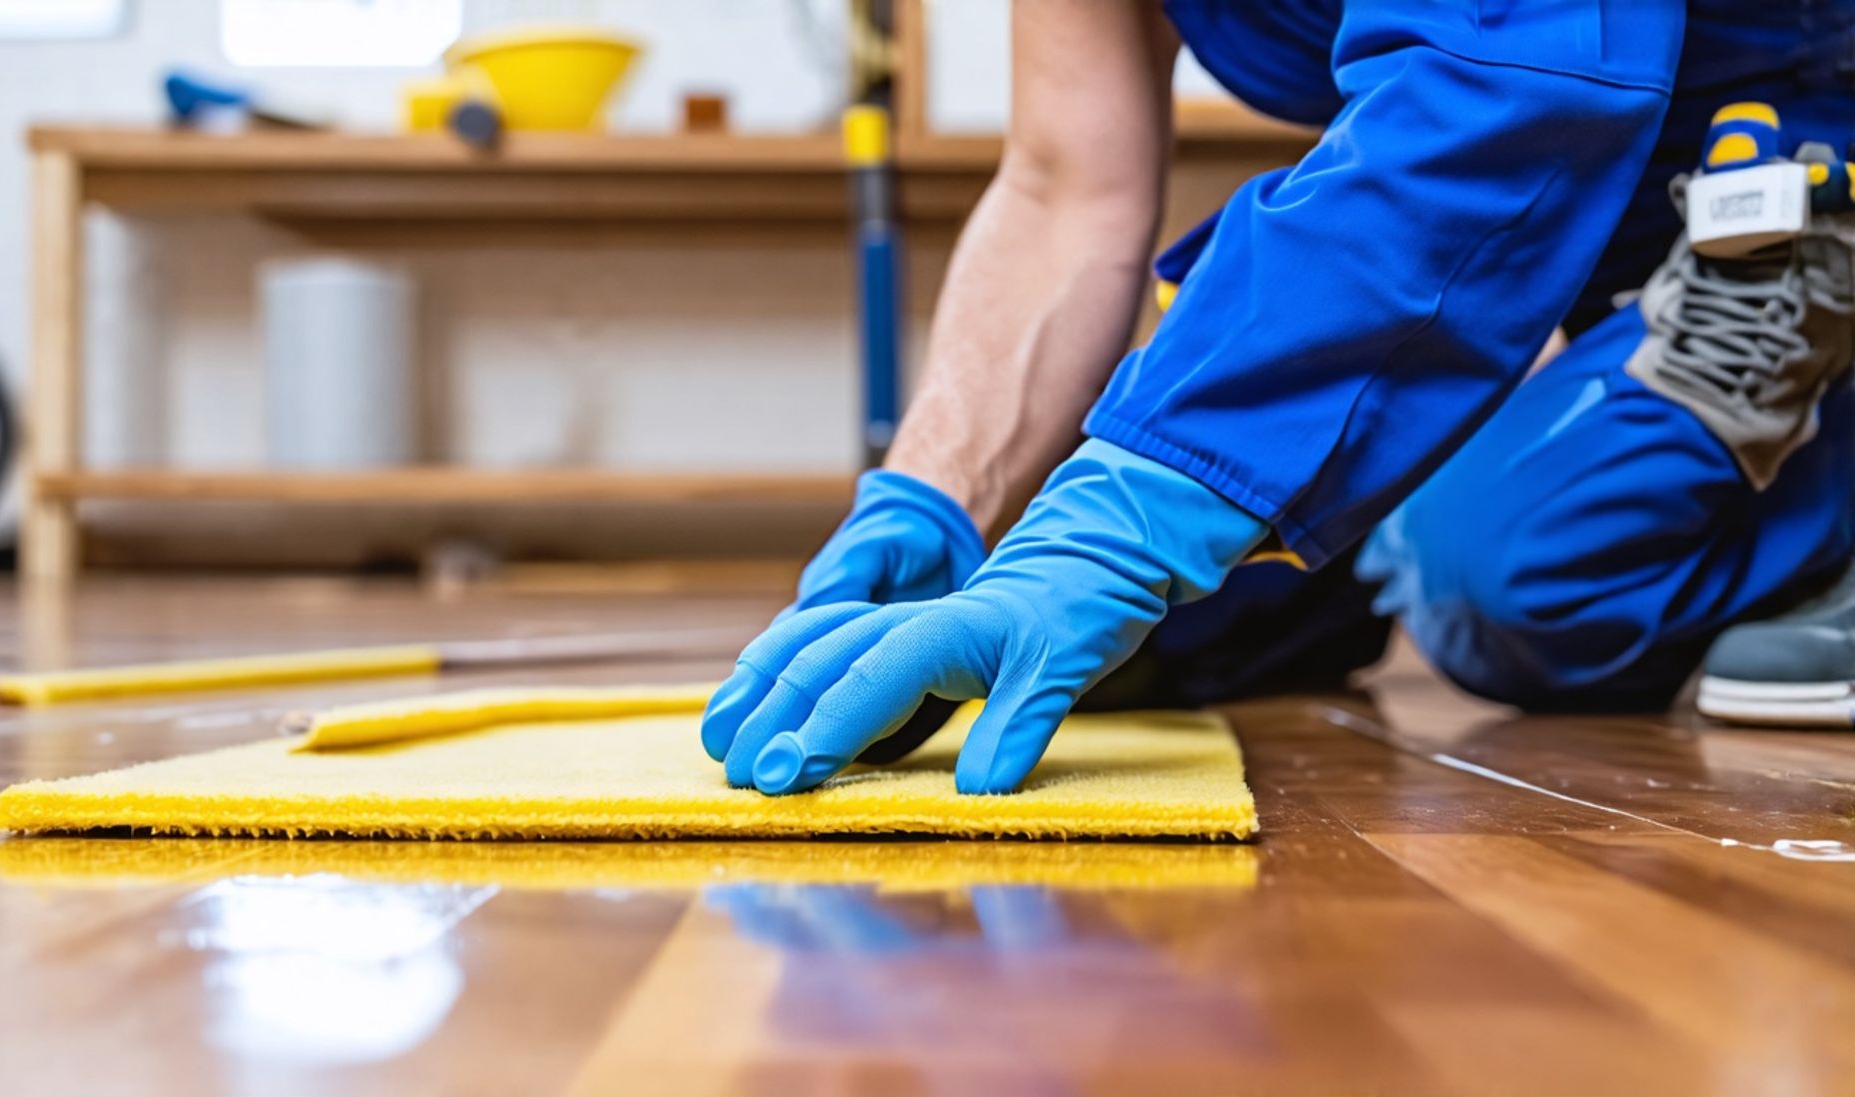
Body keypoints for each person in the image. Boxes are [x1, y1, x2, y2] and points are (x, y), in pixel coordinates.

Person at [704, 1, 1855, 795]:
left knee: (1506, 576)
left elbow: (1511, 82)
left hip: (1781, 194)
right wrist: (928, 499)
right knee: (1109, 599)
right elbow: (1063, 186)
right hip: (1576, 242)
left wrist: (1122, 529)